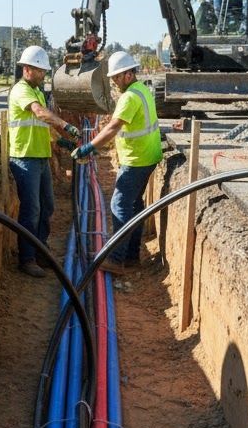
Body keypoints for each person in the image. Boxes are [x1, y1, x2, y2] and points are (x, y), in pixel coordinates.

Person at [71, 50, 162, 277]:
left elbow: (113, 128)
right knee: (135, 206)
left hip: (136, 159)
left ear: (128, 74)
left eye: (116, 77)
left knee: (119, 205)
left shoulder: (130, 97)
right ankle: (131, 255)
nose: (113, 81)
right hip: (148, 156)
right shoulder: (142, 91)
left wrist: (89, 147)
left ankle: (116, 259)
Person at [9, 45, 80, 278]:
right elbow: (40, 113)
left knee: (47, 205)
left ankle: (41, 250)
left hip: (41, 158)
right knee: (31, 210)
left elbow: (44, 127)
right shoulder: (22, 91)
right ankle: (27, 258)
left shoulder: (38, 91)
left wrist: (63, 143)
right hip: (24, 159)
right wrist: (65, 124)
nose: (43, 75)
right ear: (27, 69)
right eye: (40, 71)